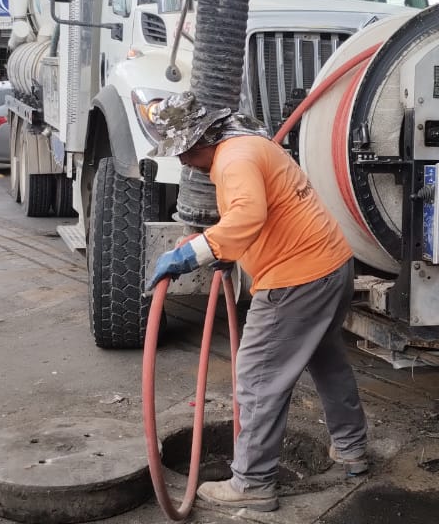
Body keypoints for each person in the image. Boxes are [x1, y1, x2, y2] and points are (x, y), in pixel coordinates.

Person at [145, 92, 370, 512]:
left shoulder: (234, 160)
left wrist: (189, 255)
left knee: (257, 378)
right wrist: (212, 245)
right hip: (331, 265)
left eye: (183, 153)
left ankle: (252, 484)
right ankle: (352, 449)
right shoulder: (251, 145)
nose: (182, 162)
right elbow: (265, 217)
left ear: (200, 142)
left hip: (296, 279)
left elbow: (248, 215)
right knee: (326, 360)